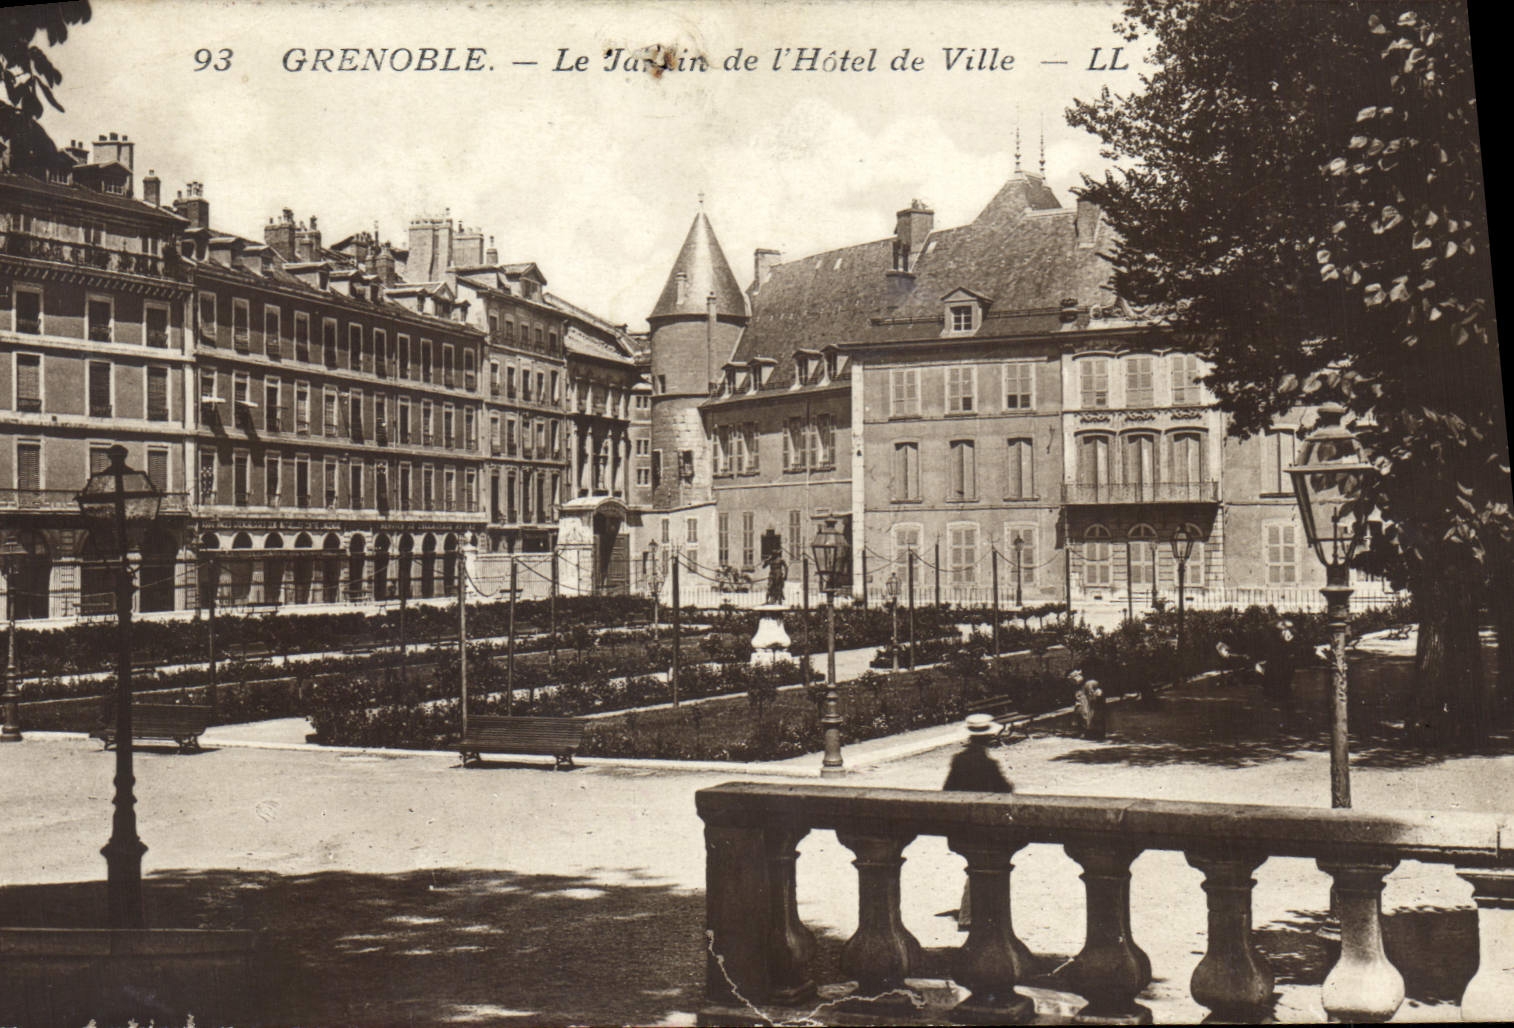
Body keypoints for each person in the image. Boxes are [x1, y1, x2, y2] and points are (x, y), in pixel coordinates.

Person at [944, 713, 1014, 930]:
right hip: (983, 824)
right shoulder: (989, 762)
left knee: (977, 866)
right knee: (985, 864)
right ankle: (970, 915)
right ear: (988, 738)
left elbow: (948, 791)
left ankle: (970, 914)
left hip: (963, 824)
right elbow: (1005, 789)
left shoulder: (958, 760)